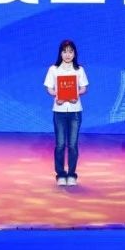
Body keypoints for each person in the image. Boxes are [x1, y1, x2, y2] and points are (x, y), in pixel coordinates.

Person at [44, 39, 90, 186]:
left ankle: (71, 174)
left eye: (70, 51)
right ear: (60, 53)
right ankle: (60, 174)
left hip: (75, 111)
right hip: (59, 111)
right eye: (64, 52)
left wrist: (76, 93)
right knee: (60, 144)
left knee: (73, 144)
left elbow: (84, 88)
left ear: (74, 53)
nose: (67, 55)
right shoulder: (54, 69)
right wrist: (56, 95)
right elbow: (49, 88)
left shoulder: (79, 70)